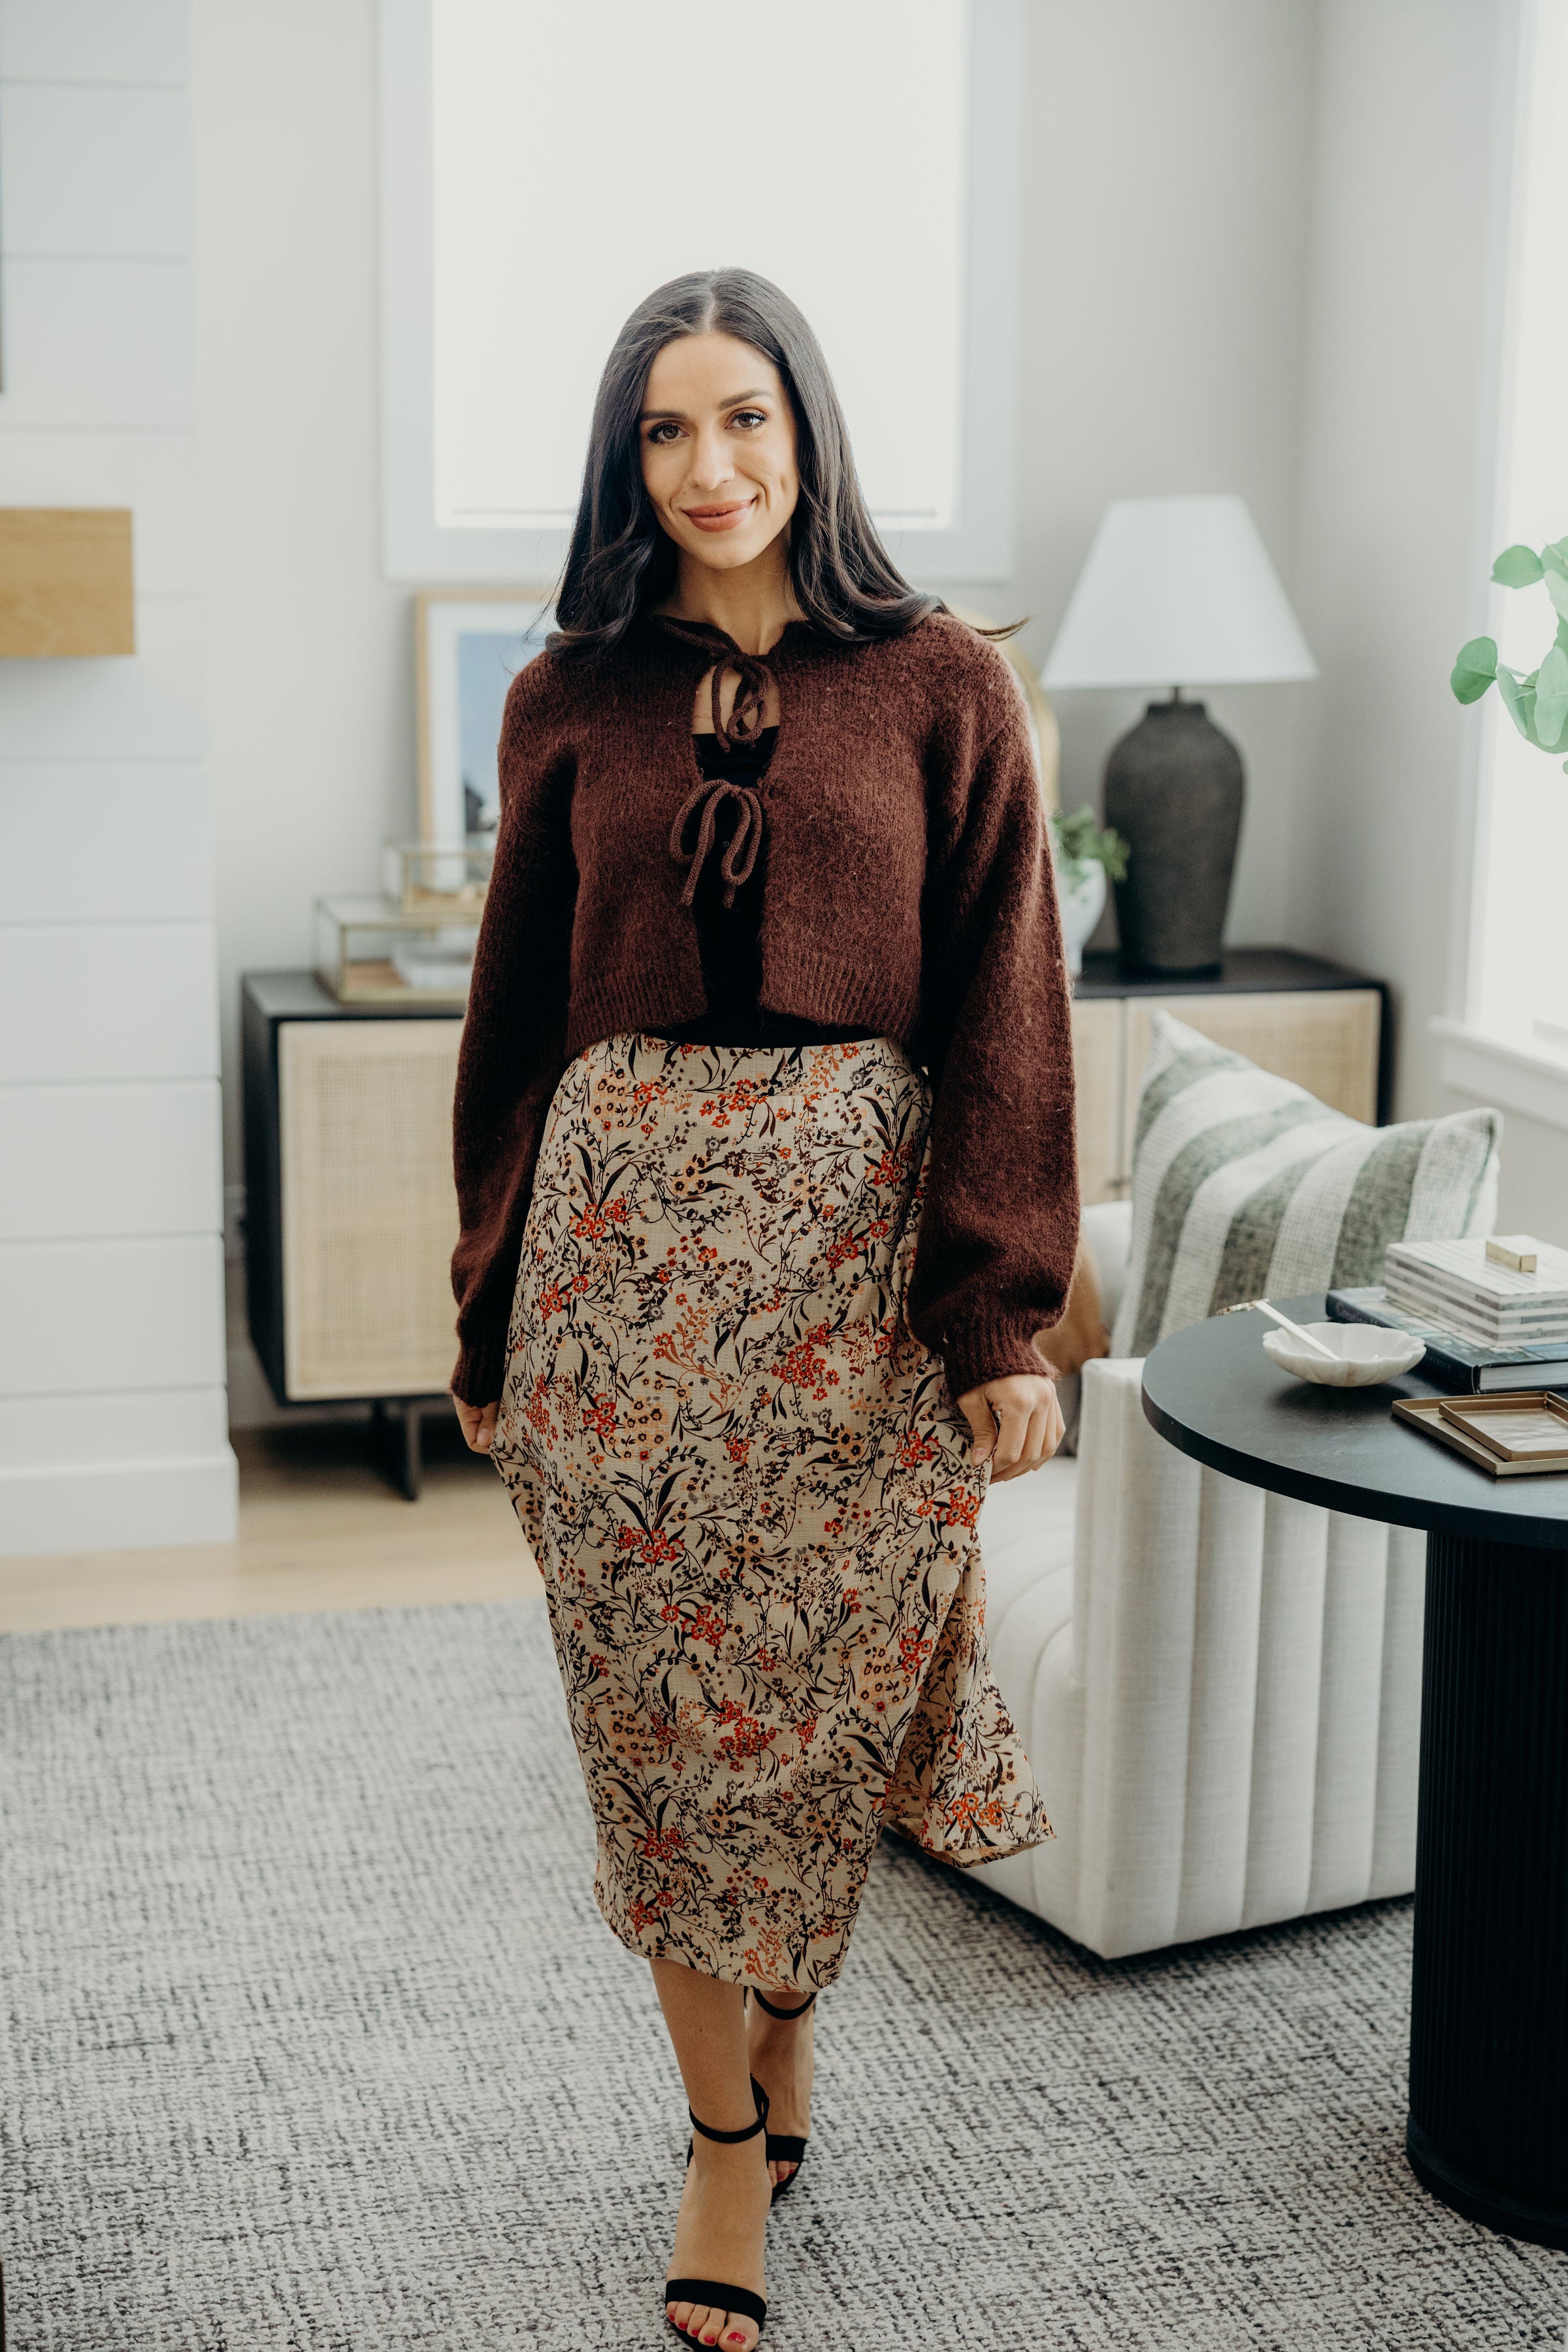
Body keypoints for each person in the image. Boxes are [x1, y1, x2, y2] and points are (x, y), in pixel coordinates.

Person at [449, 267, 1077, 2348]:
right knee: (656, 1723)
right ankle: (725, 2141)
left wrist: (1001, 1320)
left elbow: (1007, 1004)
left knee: (823, 1701)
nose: (707, 468)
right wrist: (485, 1310)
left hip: (854, 1285)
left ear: (808, 428)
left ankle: (786, 2018)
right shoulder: (569, 695)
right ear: (624, 459)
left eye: (743, 420)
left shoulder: (946, 684)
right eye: (662, 430)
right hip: (617, 1282)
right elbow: (515, 1026)